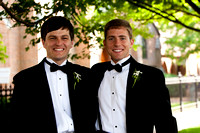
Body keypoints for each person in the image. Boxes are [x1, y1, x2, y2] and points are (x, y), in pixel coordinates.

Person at [89, 19, 178, 133]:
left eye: (122, 38)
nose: (117, 43)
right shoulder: (96, 71)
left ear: (131, 42)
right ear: (105, 43)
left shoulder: (152, 76)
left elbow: (165, 120)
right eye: (111, 38)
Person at [10, 16, 90, 133]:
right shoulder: (24, 79)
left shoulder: (86, 75)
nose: (59, 43)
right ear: (43, 42)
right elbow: (17, 122)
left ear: (71, 42)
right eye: (52, 38)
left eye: (64, 38)